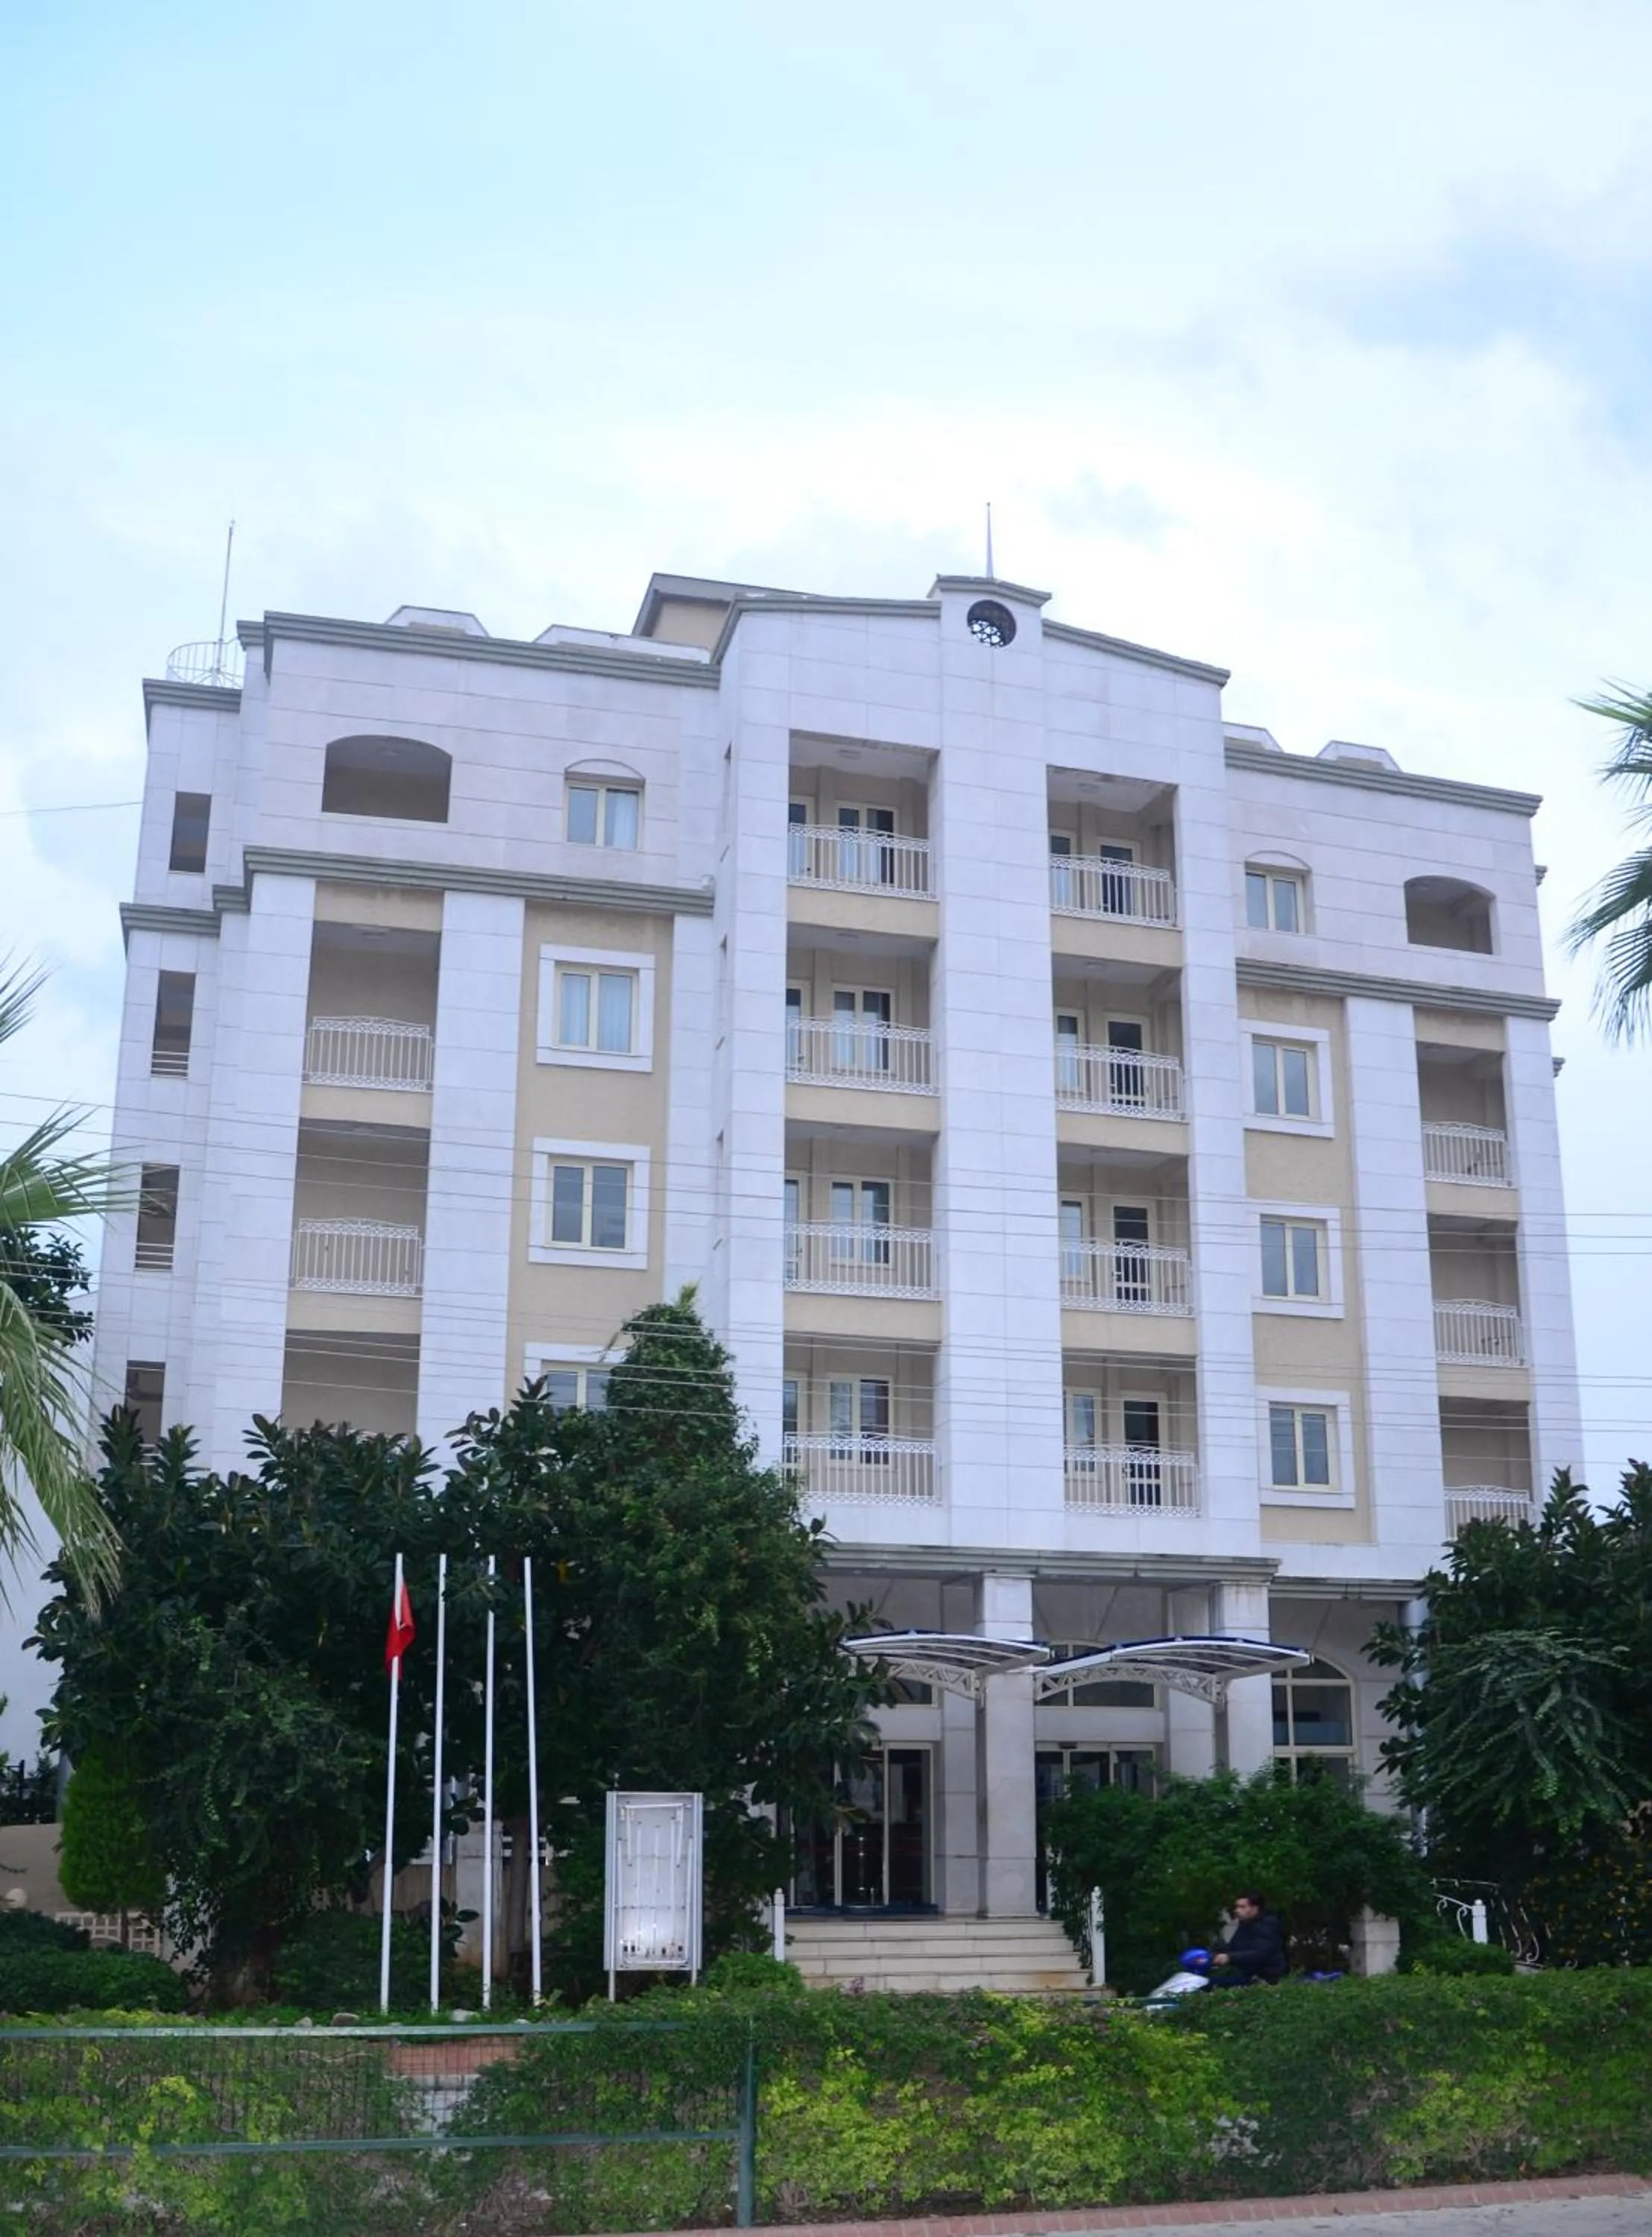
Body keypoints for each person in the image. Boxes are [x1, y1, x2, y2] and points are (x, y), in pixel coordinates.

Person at [1210, 1890, 1286, 1986]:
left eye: (1242, 1907)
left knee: (1209, 1984)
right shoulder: (1245, 1924)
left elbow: (1260, 1954)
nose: (1237, 1910)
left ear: (1255, 1908)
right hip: (1247, 1974)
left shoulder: (1267, 1925)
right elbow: (1236, 1947)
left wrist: (1229, 1957)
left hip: (1264, 1978)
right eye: (1237, 1907)